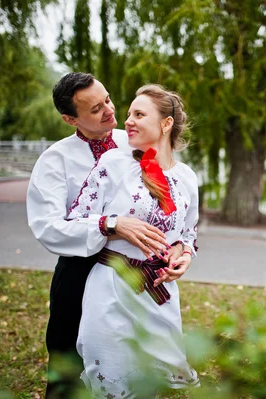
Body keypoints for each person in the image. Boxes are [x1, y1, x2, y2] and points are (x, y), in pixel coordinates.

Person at [27, 73, 182, 398]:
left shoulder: (136, 140)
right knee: (68, 372)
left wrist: (181, 248)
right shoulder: (56, 161)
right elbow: (48, 228)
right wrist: (109, 224)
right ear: (70, 118)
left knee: (129, 369)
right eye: (96, 109)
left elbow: (173, 199)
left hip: (135, 279)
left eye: (108, 99)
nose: (110, 111)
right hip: (79, 273)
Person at [67, 84, 200, 396]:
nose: (127, 121)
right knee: (111, 381)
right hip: (112, 288)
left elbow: (187, 233)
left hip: (158, 293)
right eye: (128, 114)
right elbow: (74, 220)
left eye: (139, 114)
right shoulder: (113, 164)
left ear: (166, 123)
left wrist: (183, 255)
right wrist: (113, 224)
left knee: (150, 384)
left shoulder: (188, 179)